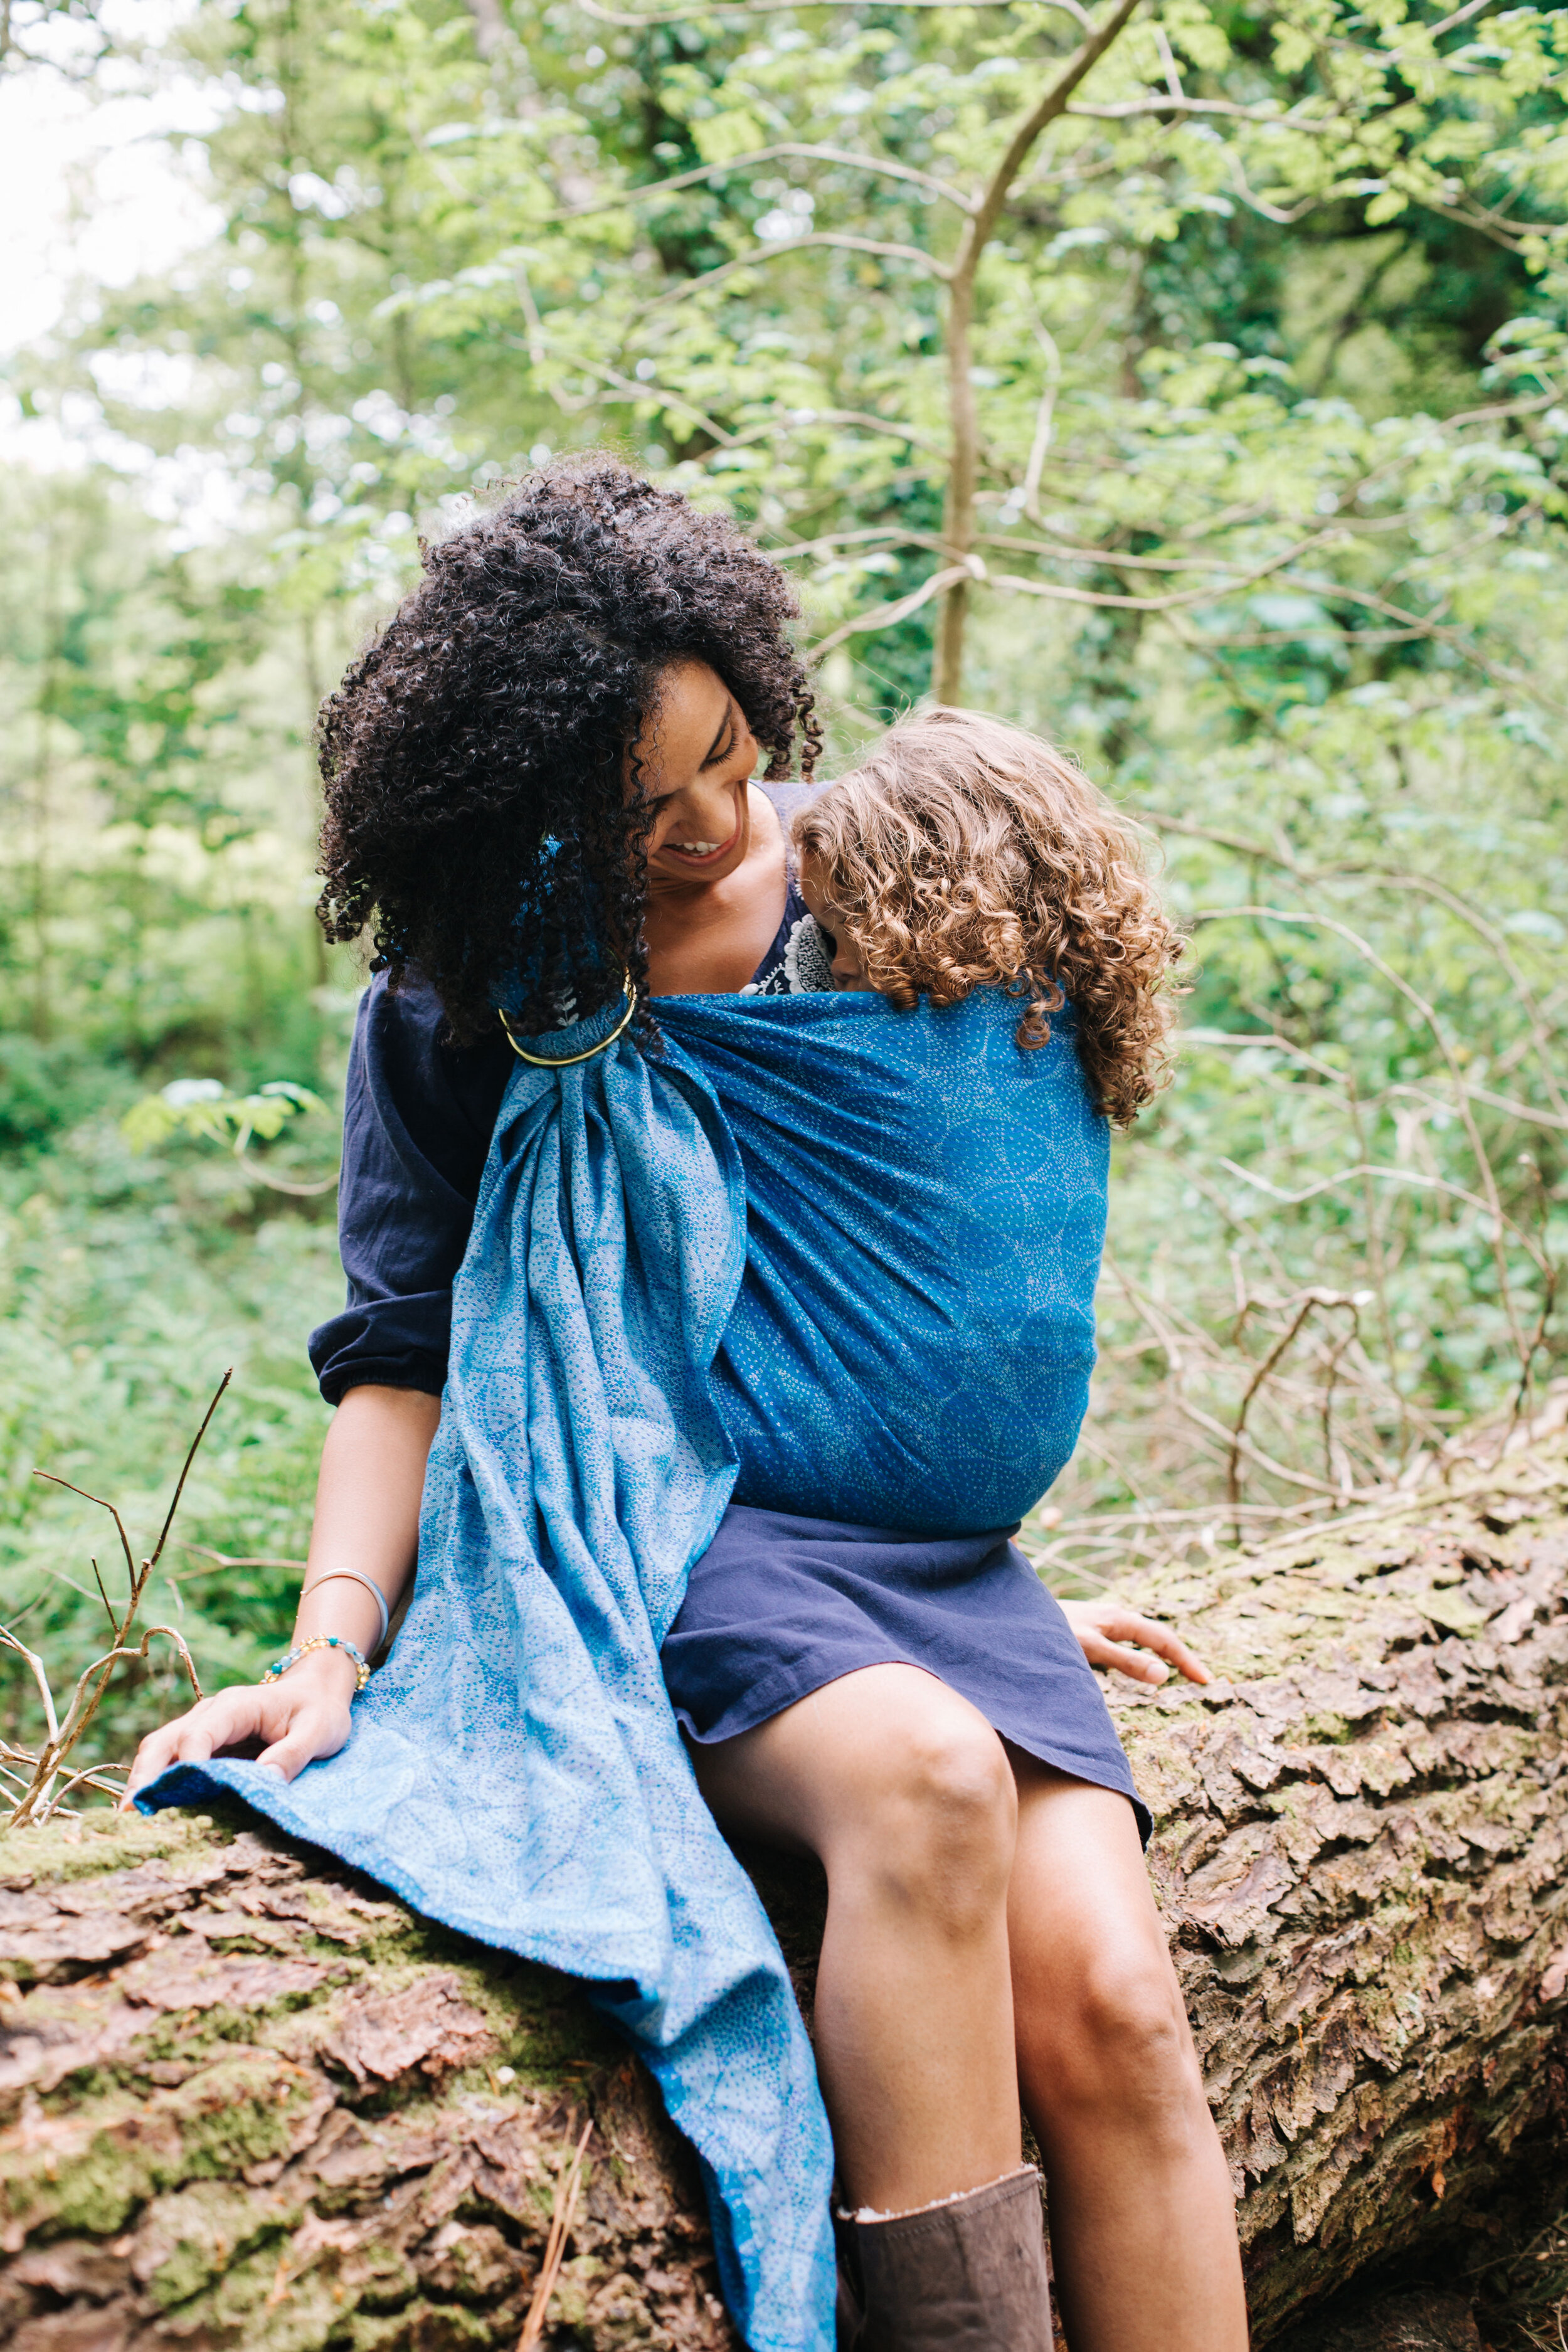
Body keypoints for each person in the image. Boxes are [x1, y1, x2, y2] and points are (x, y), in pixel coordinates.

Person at [127, 460, 1248, 2352]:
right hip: (661, 1536)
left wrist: (989, 1576)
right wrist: (335, 1651)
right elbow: (404, 1352)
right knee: (919, 1780)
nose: (727, 825)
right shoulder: (470, 1002)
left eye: (734, 750)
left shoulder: (894, 895)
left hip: (937, 1575)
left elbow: (956, 1264)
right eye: (649, 813)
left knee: (1120, 2015)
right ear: (523, 829)